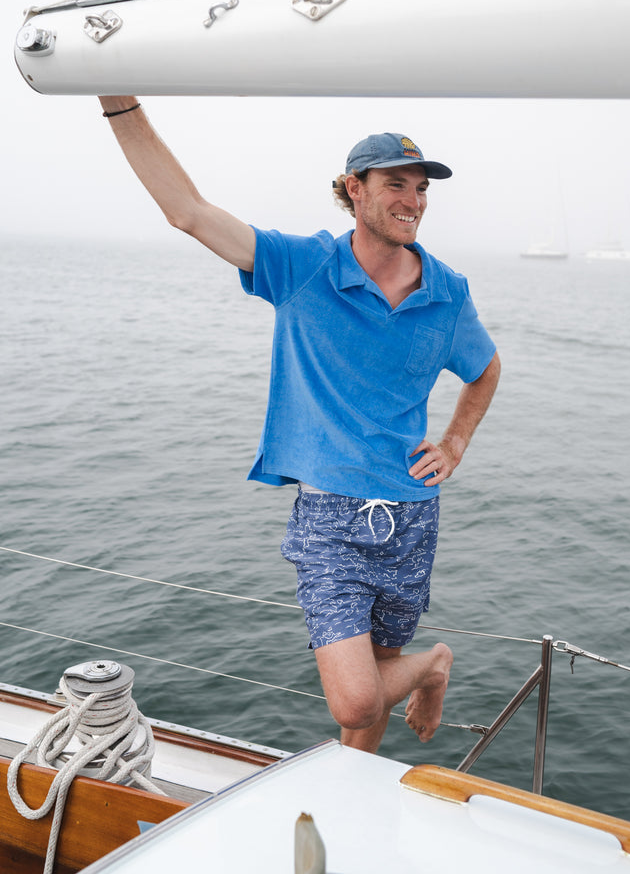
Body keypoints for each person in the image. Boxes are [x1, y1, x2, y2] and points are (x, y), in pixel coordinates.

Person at [98, 96, 501, 754]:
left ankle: (350, 794)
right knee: (357, 697)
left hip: (412, 513)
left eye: (421, 188)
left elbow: (484, 370)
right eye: (396, 184)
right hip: (329, 517)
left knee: (368, 702)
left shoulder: (447, 291)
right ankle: (433, 665)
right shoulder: (302, 265)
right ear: (353, 189)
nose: (413, 201)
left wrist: (455, 442)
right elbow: (187, 211)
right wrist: (120, 105)